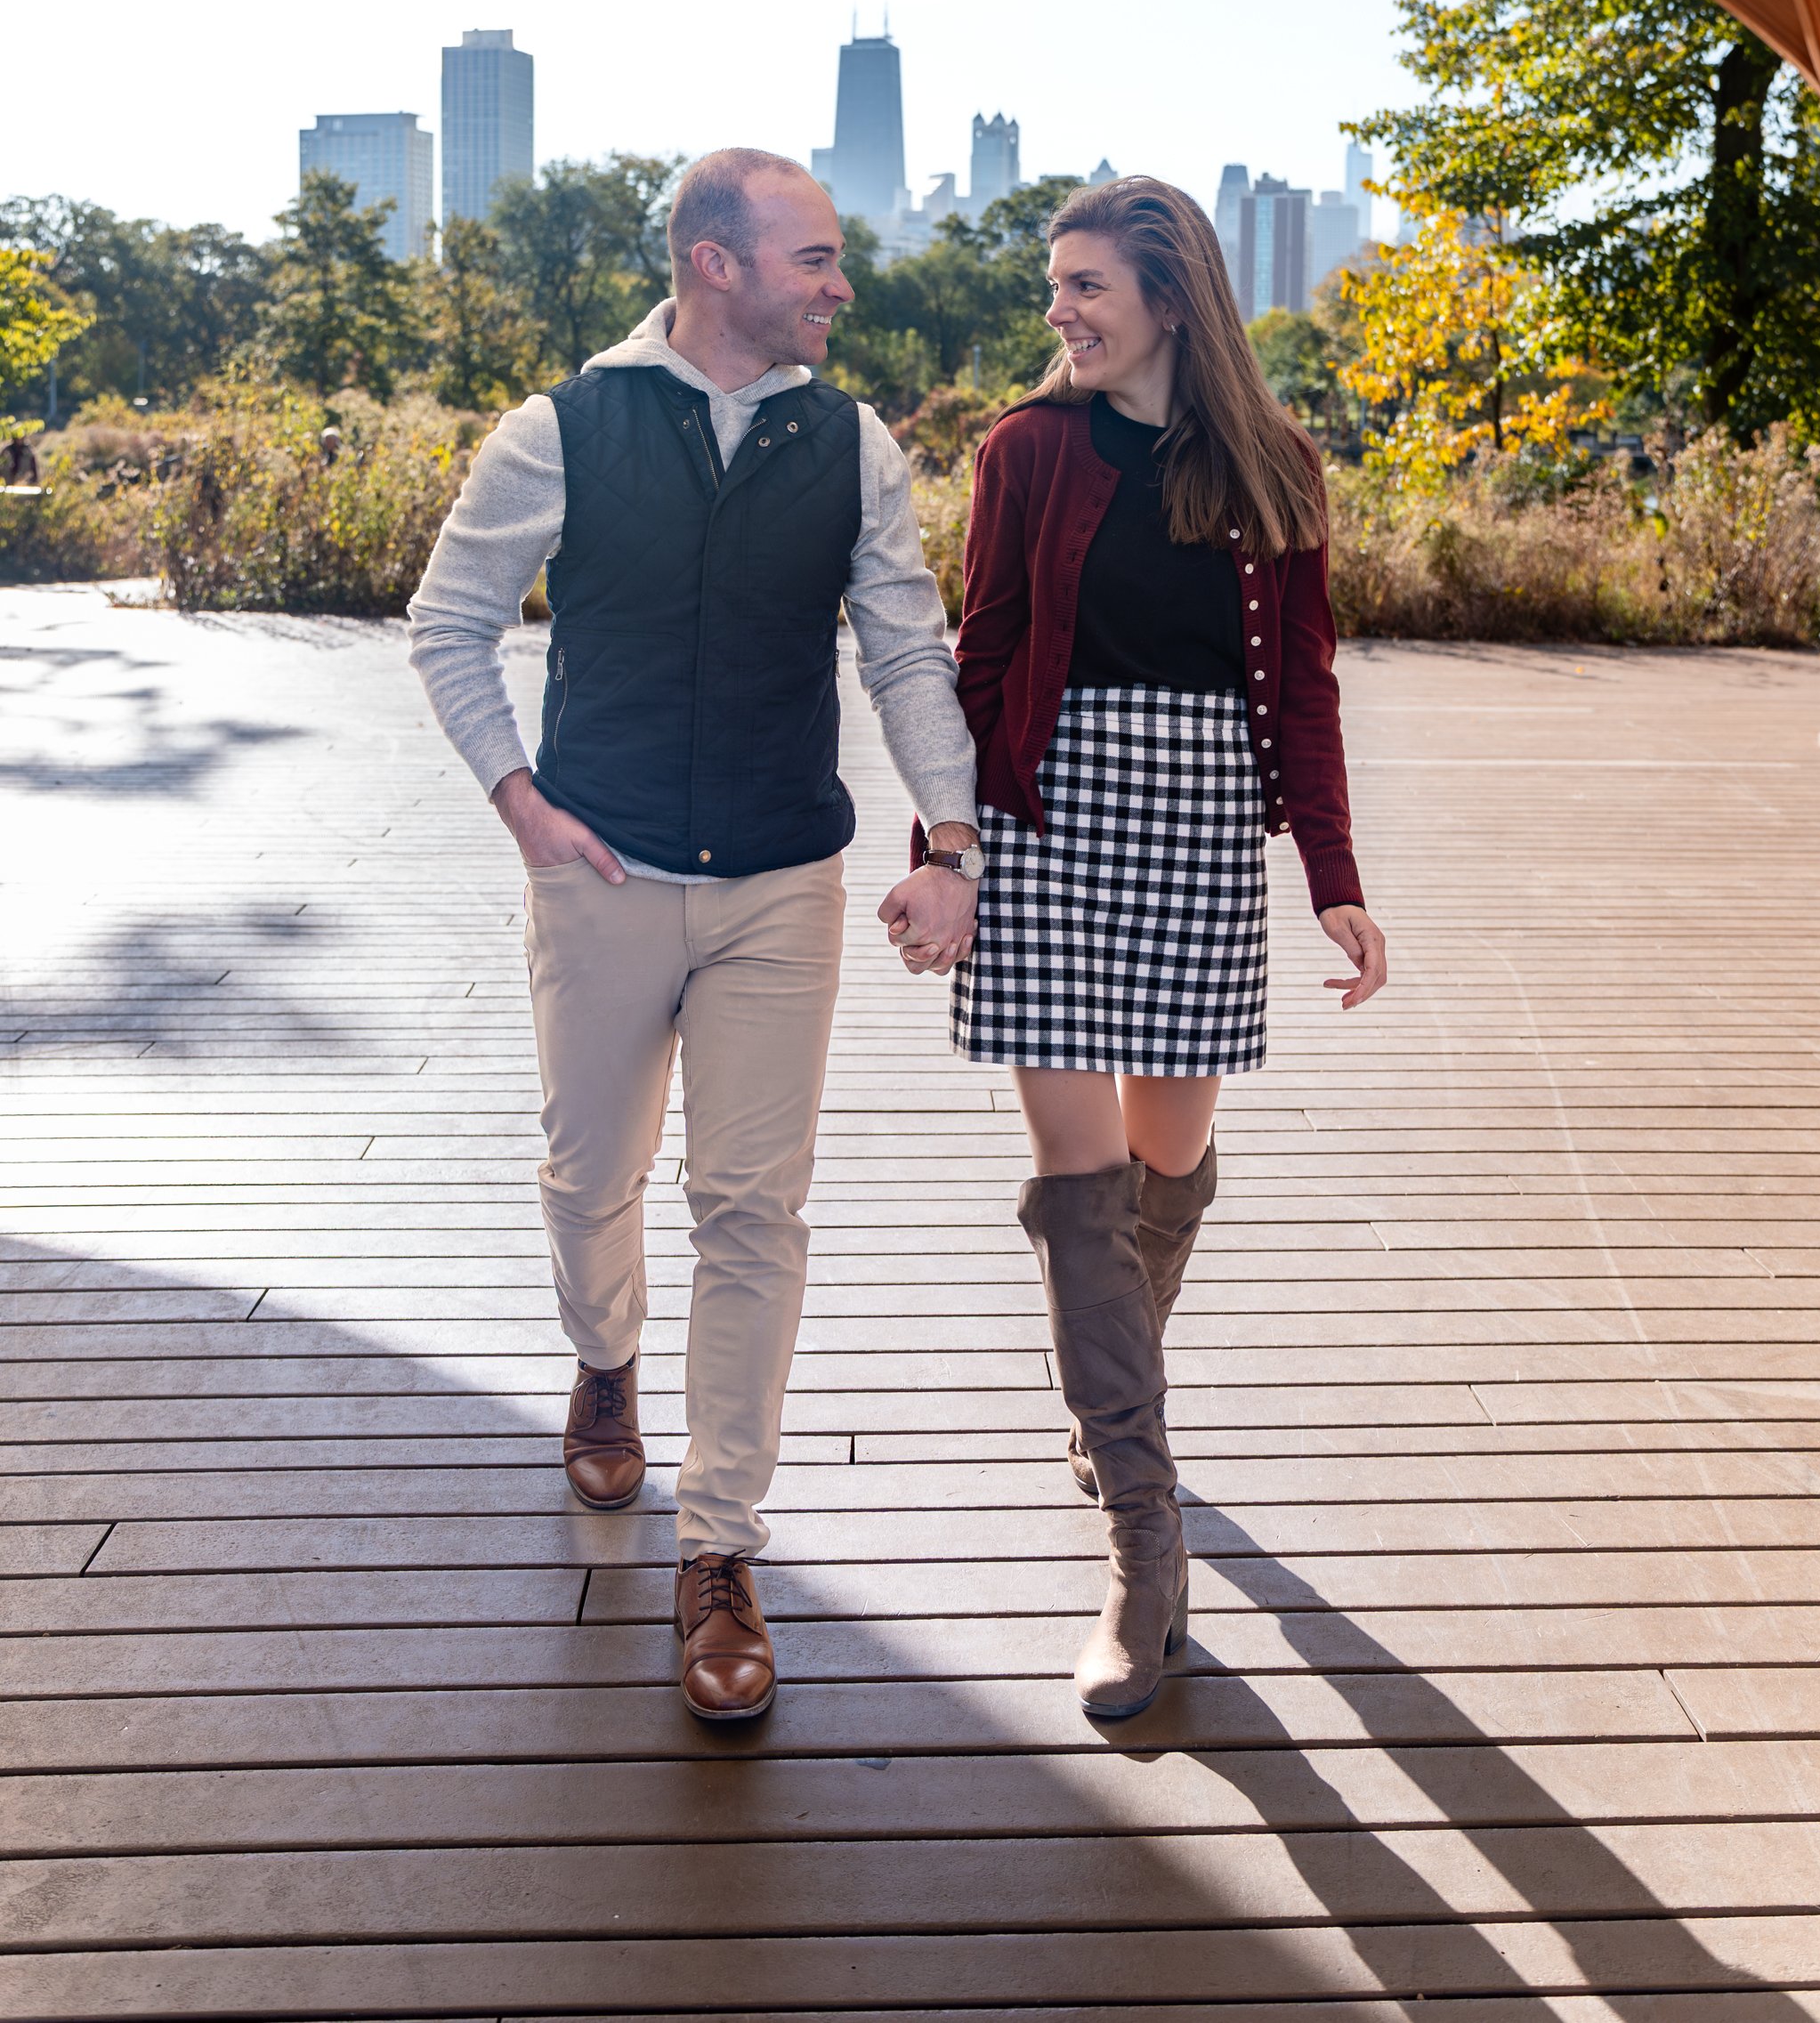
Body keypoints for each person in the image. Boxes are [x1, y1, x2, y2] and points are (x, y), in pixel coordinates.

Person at [408, 150, 981, 1724]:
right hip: (600, 872)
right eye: (814, 259)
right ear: (715, 265)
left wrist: (950, 836)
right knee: (590, 1172)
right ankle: (604, 1362)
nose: (839, 286)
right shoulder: (564, 429)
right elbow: (449, 625)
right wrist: (521, 805)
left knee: (752, 1209)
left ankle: (719, 1553)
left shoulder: (855, 447)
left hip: (783, 884)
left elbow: (908, 656)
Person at [926, 174, 1386, 1721]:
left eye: (1086, 288)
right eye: (1054, 286)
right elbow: (976, 662)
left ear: (1172, 301)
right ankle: (1144, 1539)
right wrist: (947, 852)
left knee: (1161, 1166)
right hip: (1049, 823)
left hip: (1197, 832)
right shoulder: (1024, 451)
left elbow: (1305, 690)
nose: (1058, 310)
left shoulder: (1280, 472)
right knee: (1077, 1192)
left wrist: (1332, 870)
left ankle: (1108, 1391)